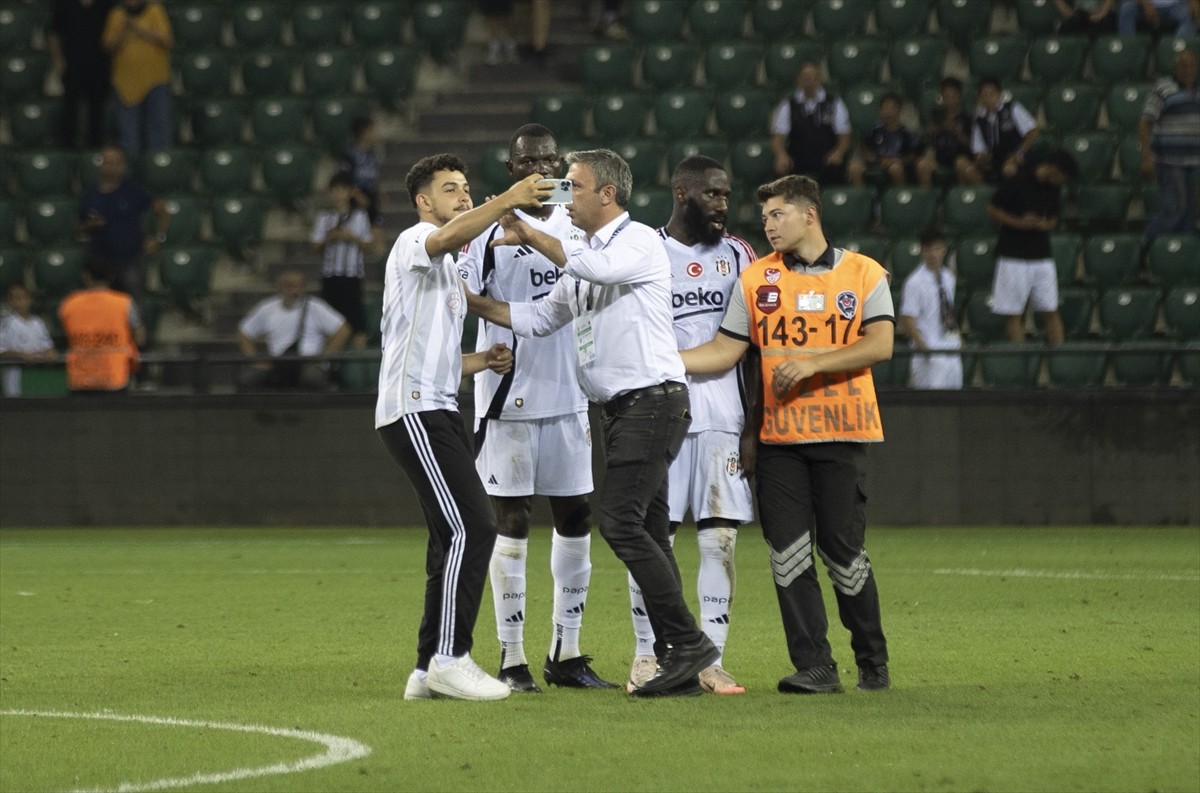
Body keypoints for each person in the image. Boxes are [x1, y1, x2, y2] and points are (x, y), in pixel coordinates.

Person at [467, 148, 721, 697]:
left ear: (607, 194)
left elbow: (590, 267)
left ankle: (688, 644)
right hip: (625, 409)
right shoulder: (583, 251)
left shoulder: (637, 242)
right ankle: (680, 658)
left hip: (652, 401)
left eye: (573, 187)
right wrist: (471, 302)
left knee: (621, 524)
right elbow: (538, 317)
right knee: (649, 531)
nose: (565, 198)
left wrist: (530, 234)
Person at [679, 174, 894, 695]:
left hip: (842, 434)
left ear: (809, 214)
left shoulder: (864, 273)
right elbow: (725, 352)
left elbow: (881, 344)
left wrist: (811, 364)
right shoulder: (754, 280)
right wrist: (656, 362)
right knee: (789, 555)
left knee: (845, 556)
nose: (768, 225)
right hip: (779, 441)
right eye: (766, 216)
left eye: (778, 214)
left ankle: (873, 661)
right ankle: (815, 666)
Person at [376, 153, 553, 703]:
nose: (463, 195)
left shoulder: (450, 269)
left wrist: (482, 362)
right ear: (423, 201)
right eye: (450, 189)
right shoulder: (414, 240)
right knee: (474, 527)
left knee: (448, 538)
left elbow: (433, 355)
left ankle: (427, 667)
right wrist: (509, 199)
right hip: (416, 409)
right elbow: (442, 239)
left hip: (436, 404)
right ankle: (452, 658)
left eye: (467, 187)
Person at [457, 125, 613, 693]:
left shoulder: (577, 227)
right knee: (513, 520)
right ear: (511, 168)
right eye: (529, 161)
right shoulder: (486, 232)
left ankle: (566, 653)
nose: (540, 169)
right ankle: (512, 657)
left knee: (576, 518)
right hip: (508, 395)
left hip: (571, 394)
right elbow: (461, 298)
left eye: (550, 159)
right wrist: (491, 341)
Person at [624, 155, 758, 696]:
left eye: (727, 196)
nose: (723, 206)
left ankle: (711, 660)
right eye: (713, 196)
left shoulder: (740, 254)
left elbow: (753, 349)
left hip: (724, 417)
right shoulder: (646, 250)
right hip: (660, 416)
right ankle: (646, 656)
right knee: (653, 541)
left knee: (720, 539)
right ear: (682, 194)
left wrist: (753, 428)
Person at [985, 149, 1080, 346]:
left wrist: (1044, 225)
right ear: (1054, 170)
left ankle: (1059, 358)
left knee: (1051, 309)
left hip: (1041, 256)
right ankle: (1021, 363)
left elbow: (1053, 219)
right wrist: (1019, 222)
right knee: (1013, 314)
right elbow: (992, 209)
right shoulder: (1017, 181)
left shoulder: (1054, 189)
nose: (1062, 182)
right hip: (1012, 255)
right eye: (1062, 177)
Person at [77, 144, 170, 303]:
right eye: (107, 162)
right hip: (100, 264)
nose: (111, 167)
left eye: (116, 162)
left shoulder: (133, 191)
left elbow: (163, 212)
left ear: (123, 166)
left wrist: (158, 238)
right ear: (100, 165)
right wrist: (90, 225)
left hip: (129, 261)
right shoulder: (90, 194)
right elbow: (78, 228)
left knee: (136, 305)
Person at [236, 270, 352, 391]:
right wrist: (255, 360)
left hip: (308, 362)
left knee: (312, 378)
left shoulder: (315, 307)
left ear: (303, 288)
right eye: (287, 286)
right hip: (278, 364)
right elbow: (243, 333)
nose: (292, 290)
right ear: (280, 288)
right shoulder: (267, 308)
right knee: (248, 378)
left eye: (296, 286)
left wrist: (324, 358)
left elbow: (343, 330)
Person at [58, 255, 145, 394]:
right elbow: (140, 338)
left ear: (86, 276)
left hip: (79, 378)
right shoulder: (124, 303)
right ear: (111, 277)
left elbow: (65, 336)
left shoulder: (69, 304)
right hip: (115, 378)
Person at [1139, 49, 1199, 245]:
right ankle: (1144, 248)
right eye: (1182, 65)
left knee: (1192, 212)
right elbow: (1144, 123)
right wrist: (1147, 157)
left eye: (1190, 65)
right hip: (1170, 161)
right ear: (1175, 67)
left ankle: (1179, 258)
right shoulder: (1163, 88)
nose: (1187, 69)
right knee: (1174, 210)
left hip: (1196, 161)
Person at [102, 0, 173, 157]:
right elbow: (108, 46)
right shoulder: (117, 14)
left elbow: (166, 40)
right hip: (125, 83)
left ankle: (160, 172)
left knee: (159, 132)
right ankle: (131, 175)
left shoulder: (155, 10)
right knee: (129, 138)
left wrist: (137, 27)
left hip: (155, 80)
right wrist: (123, 29)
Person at [311, 172, 373, 349]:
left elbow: (369, 245)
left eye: (342, 190)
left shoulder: (360, 216)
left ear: (349, 192)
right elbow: (315, 246)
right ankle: (331, 366)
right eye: (334, 190)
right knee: (328, 322)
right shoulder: (324, 218)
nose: (338, 194)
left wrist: (350, 237)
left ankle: (358, 364)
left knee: (356, 321)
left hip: (351, 275)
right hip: (330, 275)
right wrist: (329, 238)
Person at [900, 228, 963, 390]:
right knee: (932, 404)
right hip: (929, 351)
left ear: (944, 249)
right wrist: (924, 348)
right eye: (929, 249)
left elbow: (948, 310)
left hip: (950, 347)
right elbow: (907, 319)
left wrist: (957, 337)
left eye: (938, 248)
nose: (934, 254)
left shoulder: (949, 277)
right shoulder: (914, 282)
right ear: (922, 251)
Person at [770, 61, 853, 184]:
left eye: (812, 76)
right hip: (798, 158)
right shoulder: (788, 105)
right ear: (798, 80)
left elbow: (845, 136)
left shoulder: (834, 103)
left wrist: (839, 152)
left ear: (819, 79)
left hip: (827, 158)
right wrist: (781, 155)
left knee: (836, 169)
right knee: (781, 170)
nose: (808, 79)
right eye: (805, 76)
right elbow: (778, 138)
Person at [48, 0, 115, 149]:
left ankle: (95, 149)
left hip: (100, 65)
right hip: (72, 65)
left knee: (97, 110)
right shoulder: (64, 4)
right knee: (70, 108)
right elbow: (54, 34)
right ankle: (68, 149)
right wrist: (58, 60)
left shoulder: (106, 4)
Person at [848, 92, 926, 188]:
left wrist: (895, 161)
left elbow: (914, 155)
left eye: (891, 108)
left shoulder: (907, 133)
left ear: (899, 110)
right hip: (877, 162)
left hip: (899, 165)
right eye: (884, 108)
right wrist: (876, 159)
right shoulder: (875, 131)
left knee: (895, 169)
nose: (888, 111)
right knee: (854, 167)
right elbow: (864, 150)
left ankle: (900, 196)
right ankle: (861, 198)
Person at [971, 77, 1040, 183]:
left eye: (992, 94)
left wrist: (1019, 152)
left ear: (999, 94)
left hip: (1018, 157)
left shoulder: (1012, 108)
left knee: (1009, 170)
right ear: (980, 98)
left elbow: (1033, 131)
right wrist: (981, 159)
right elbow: (979, 150)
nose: (989, 98)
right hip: (995, 160)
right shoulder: (979, 121)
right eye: (985, 95)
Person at [918, 77, 983, 187]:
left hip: (960, 156)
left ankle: (961, 196)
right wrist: (931, 132)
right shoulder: (936, 116)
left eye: (953, 96)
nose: (950, 100)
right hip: (940, 157)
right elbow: (926, 141)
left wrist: (957, 132)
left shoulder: (967, 118)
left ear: (959, 97)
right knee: (922, 164)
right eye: (946, 96)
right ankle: (928, 199)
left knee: (960, 163)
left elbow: (972, 145)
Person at [0, 284, 57, 398]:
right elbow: (1, 351)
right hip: (16, 377)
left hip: (38, 377)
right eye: (16, 298)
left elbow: (48, 346)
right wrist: (21, 355)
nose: (21, 302)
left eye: (24, 297)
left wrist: (51, 352)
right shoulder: (7, 323)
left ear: (30, 299)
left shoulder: (38, 322)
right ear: (10, 301)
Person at [337, 116, 384, 237]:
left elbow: (375, 174)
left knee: (376, 228)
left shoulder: (373, 153)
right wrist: (356, 195)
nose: (376, 133)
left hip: (371, 196)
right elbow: (345, 177)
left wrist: (379, 192)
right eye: (373, 130)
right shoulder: (351, 154)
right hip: (356, 197)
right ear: (364, 133)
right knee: (357, 229)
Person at [1117, 0, 1198, 36]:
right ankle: (1128, 51)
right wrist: (1145, 4)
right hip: (1146, 5)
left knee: (1191, 16)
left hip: (1176, 5)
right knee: (1126, 9)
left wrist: (1194, 3)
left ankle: (1176, 51)